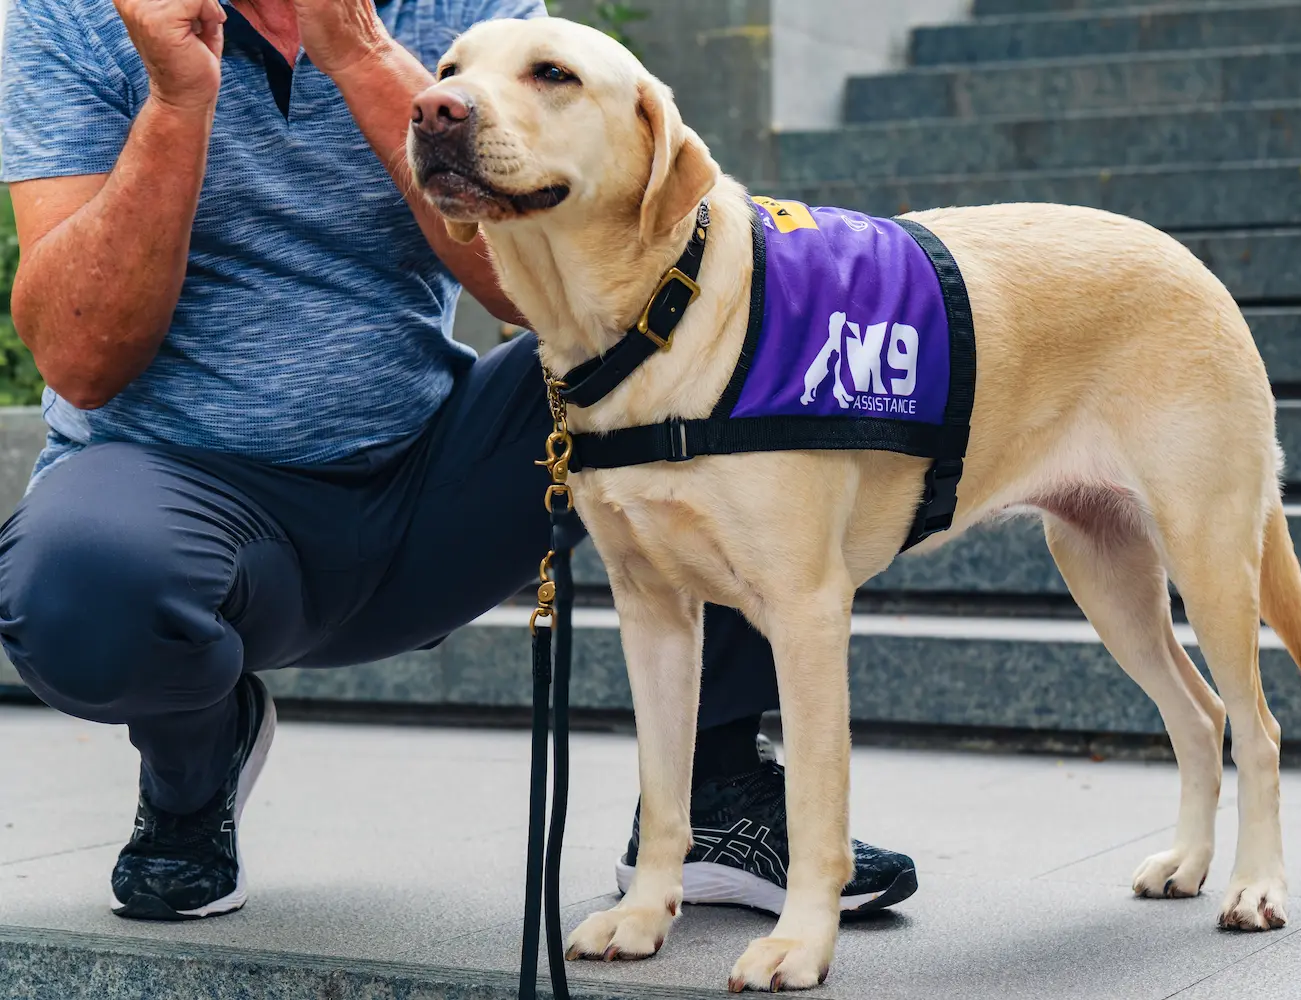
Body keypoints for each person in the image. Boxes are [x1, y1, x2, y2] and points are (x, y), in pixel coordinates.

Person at [0, 0, 917, 921]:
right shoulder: (68, 18)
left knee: (712, 324)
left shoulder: (467, 14)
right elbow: (83, 360)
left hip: (435, 486)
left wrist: (358, 52)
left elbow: (546, 283)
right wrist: (175, 99)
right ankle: (191, 785)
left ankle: (715, 791)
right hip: (180, 505)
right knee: (76, 583)